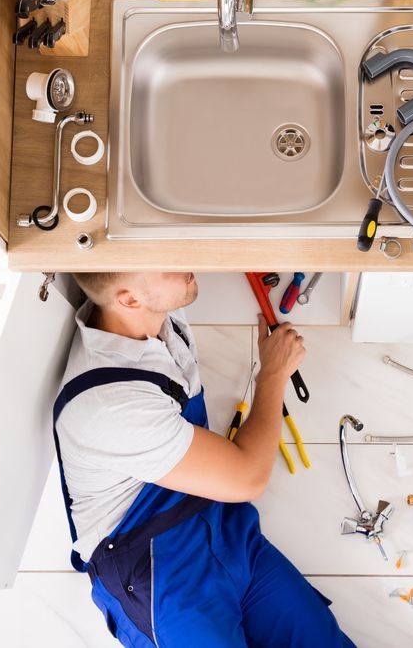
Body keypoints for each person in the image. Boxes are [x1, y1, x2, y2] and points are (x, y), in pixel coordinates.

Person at [52, 271, 354, 648]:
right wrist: (273, 373)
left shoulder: (155, 318)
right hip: (156, 573)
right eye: (168, 265)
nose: (186, 263)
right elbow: (248, 477)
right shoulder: (110, 405)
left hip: (221, 528)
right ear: (129, 299)